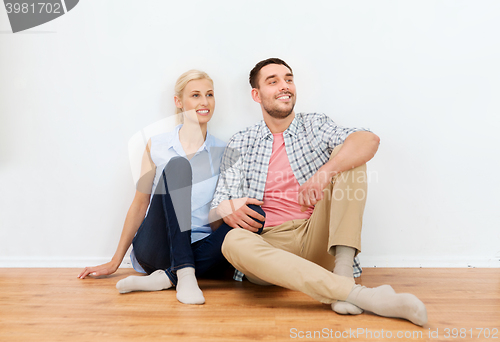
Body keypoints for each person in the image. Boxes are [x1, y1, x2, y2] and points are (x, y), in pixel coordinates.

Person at [209, 58, 428, 325]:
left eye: (288, 79)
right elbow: (216, 212)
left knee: (348, 156)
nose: (284, 86)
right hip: (270, 246)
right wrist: (223, 208)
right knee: (232, 242)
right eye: (273, 81)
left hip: (317, 234)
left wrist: (324, 173)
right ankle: (361, 295)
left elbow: (368, 140)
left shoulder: (314, 124)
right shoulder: (240, 141)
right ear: (256, 95)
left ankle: (344, 273)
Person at [78, 70, 258, 305]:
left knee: (256, 218)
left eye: (210, 95)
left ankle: (167, 278)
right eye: (195, 95)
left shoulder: (225, 152)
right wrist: (115, 261)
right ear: (179, 102)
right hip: (157, 247)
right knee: (178, 166)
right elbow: (140, 203)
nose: (204, 102)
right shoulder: (157, 145)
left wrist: (231, 210)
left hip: (199, 247)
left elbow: (216, 219)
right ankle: (183, 271)